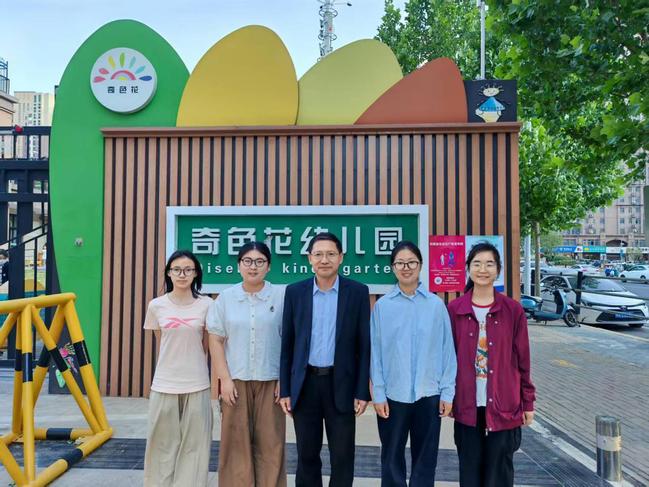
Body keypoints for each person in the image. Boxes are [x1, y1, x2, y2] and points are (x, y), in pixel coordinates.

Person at [279, 232, 371, 487]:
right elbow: (287, 345)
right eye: (318, 254)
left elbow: (364, 346)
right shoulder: (295, 292)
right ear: (310, 258)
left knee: (342, 456)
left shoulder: (357, 292)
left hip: (341, 384)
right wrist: (286, 389)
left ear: (341, 257)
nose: (324, 260)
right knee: (307, 455)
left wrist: (362, 391)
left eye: (331, 254)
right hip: (305, 384)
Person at [447, 242, 536, 487]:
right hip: (467, 404)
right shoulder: (454, 310)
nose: (483, 270)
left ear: (498, 270)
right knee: (469, 474)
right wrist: (447, 397)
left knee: (500, 474)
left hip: (504, 403)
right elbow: (447, 359)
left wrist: (528, 401)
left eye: (489, 264)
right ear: (468, 269)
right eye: (476, 264)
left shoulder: (513, 310)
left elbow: (523, 360)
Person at [370, 241, 457, 486]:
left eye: (411, 262)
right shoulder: (383, 307)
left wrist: (447, 392)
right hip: (392, 395)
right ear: (393, 267)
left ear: (420, 265)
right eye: (400, 263)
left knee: (426, 461)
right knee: (391, 459)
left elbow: (447, 351)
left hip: (429, 394)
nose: (406, 267)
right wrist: (378, 394)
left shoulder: (436, 305)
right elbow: (375, 354)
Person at [207, 241, 287, 486]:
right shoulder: (226, 298)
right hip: (236, 381)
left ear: (269, 266)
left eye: (260, 261)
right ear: (239, 265)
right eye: (248, 261)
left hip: (271, 381)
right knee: (235, 444)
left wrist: (284, 379)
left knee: (271, 444)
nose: (253, 267)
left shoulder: (282, 296)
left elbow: (291, 340)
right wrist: (224, 380)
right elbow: (216, 340)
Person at [143, 250, 213, 487]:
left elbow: (206, 346)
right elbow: (162, 341)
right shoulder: (156, 305)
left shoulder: (207, 304)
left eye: (188, 270)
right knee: (161, 447)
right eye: (177, 270)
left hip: (197, 384)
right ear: (169, 273)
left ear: (196, 274)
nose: (182, 274)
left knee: (195, 447)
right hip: (164, 384)